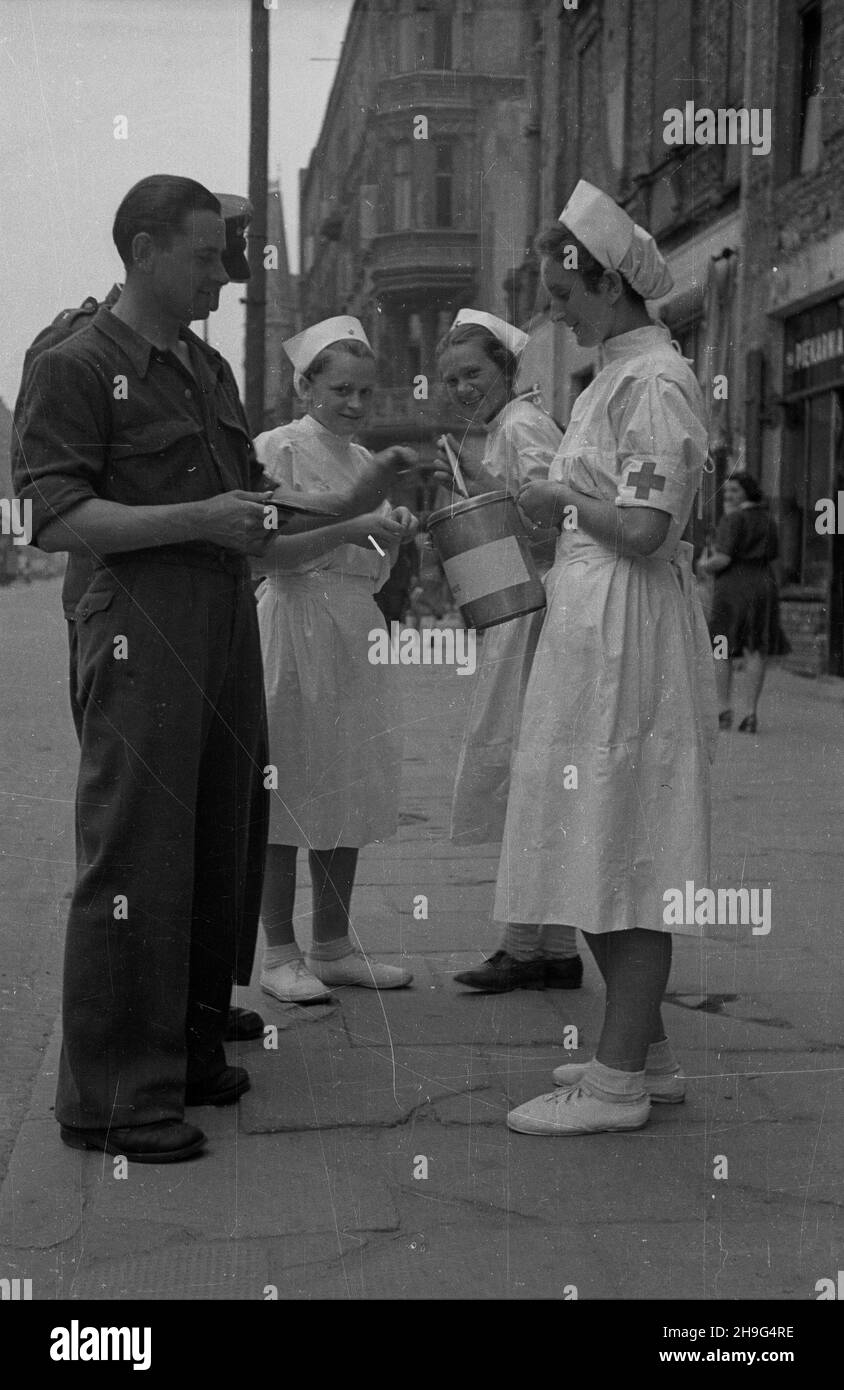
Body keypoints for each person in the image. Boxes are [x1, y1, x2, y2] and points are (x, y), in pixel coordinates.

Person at [495, 180, 716, 1136]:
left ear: (598, 279)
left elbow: (647, 527)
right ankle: (644, 1050)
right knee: (587, 828)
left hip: (627, 632)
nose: (556, 313)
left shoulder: (656, 383)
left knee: (616, 836)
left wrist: (558, 502)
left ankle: (617, 1083)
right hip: (597, 624)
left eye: (560, 294)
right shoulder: (618, 380)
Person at [19, 195, 265, 1046]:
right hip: (136, 626)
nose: (224, 276)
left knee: (216, 838)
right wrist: (201, 521)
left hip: (224, 618)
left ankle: (189, 1051)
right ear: (145, 250)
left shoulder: (207, 368)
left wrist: (352, 504)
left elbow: (252, 502)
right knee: (137, 851)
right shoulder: (73, 365)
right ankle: (119, 1100)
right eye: (205, 258)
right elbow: (53, 520)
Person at [254, 317, 418, 1003]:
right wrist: (355, 525)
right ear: (305, 385)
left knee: (348, 784)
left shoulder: (362, 462)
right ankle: (278, 951)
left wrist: (394, 539)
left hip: (353, 626)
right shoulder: (276, 449)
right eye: (341, 390)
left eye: (366, 394)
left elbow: (370, 568)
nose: (355, 405)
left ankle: (332, 943)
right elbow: (266, 550)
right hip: (293, 625)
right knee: (287, 785)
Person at [432, 308, 582, 993]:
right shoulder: (503, 430)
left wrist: (478, 483)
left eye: (474, 373)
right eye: (451, 378)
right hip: (517, 613)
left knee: (529, 773)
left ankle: (527, 946)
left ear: (506, 370)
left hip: (537, 614)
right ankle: (550, 947)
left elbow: (554, 521)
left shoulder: (522, 427)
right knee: (535, 775)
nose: (462, 387)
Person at [697, 470, 787, 733]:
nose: (729, 495)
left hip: (733, 588)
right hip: (763, 584)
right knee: (756, 648)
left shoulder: (733, 519)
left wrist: (703, 564)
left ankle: (724, 708)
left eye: (735, 490)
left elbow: (722, 559)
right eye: (726, 491)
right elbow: (775, 556)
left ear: (747, 492)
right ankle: (751, 713)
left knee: (722, 648)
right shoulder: (768, 520)